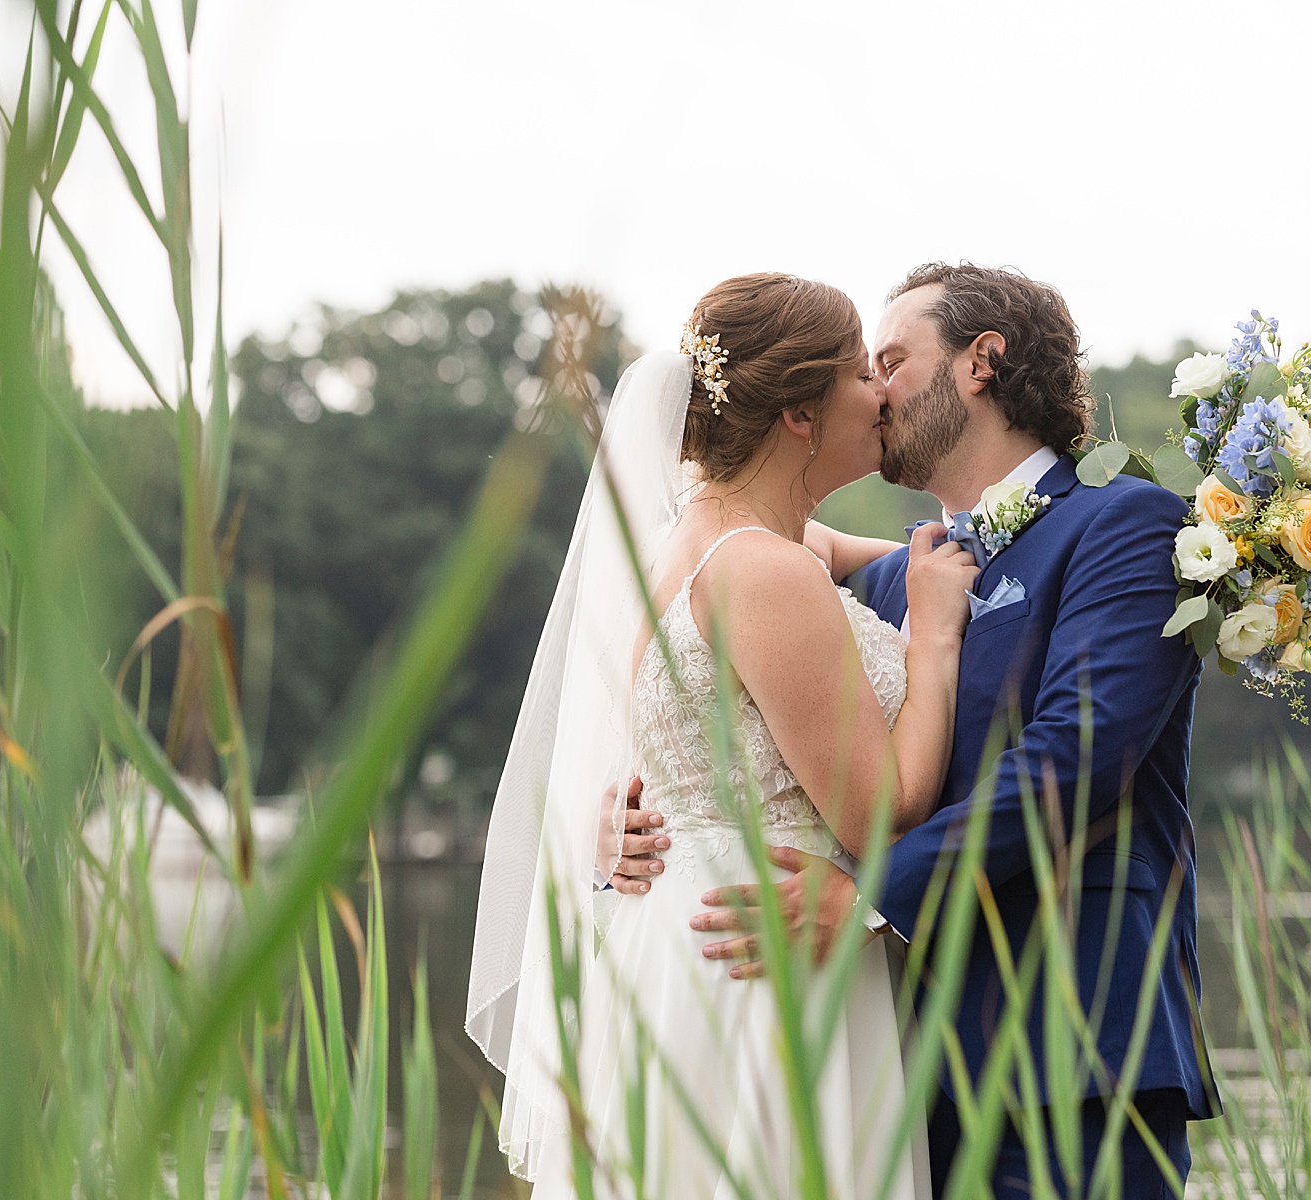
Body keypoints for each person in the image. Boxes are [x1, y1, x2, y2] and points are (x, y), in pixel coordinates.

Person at [663, 263, 1218, 1196]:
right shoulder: (886, 590)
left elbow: (1074, 758)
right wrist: (636, 805)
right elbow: (720, 646)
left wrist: (868, 899)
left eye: (891, 360)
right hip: (891, 1063)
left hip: (1068, 1045)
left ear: (983, 362)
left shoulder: (1127, 527)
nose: (874, 390)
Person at [466, 273, 975, 1197]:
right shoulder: (764, 571)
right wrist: (934, 642)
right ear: (798, 414)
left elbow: (885, 558)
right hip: (764, 954)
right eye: (862, 371)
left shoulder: (697, 538)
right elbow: (876, 813)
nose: (881, 391)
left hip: (676, 941)